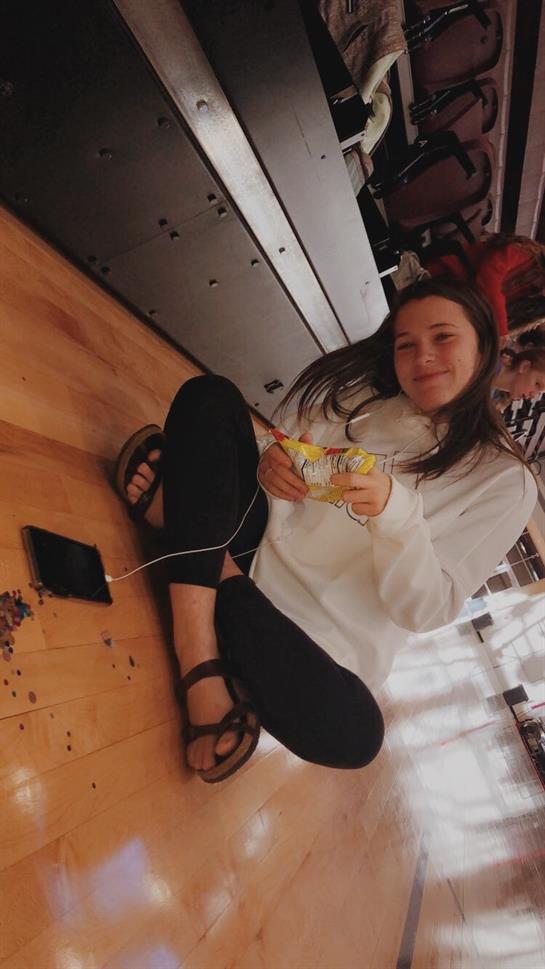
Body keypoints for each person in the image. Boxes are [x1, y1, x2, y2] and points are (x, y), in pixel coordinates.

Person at [115, 278, 537, 784]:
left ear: (485, 346)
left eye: (443, 337)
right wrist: (271, 462)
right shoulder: (369, 399)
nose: (422, 356)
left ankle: (190, 538)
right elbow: (285, 447)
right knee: (209, 397)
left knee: (356, 736)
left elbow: (426, 609)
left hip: (309, 638)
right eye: (406, 344)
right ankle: (198, 654)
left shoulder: (505, 481)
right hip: (258, 546)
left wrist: (395, 513)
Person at [425, 234, 545, 342]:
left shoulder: (533, 292)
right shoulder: (523, 251)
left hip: (457, 296)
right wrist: (501, 330)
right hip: (443, 275)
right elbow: (489, 278)